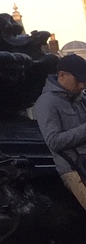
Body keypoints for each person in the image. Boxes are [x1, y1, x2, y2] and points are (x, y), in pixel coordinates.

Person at [35, 51, 86, 216]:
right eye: (78, 80)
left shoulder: (79, 99)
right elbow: (54, 141)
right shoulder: (46, 101)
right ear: (62, 75)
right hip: (74, 170)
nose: (82, 85)